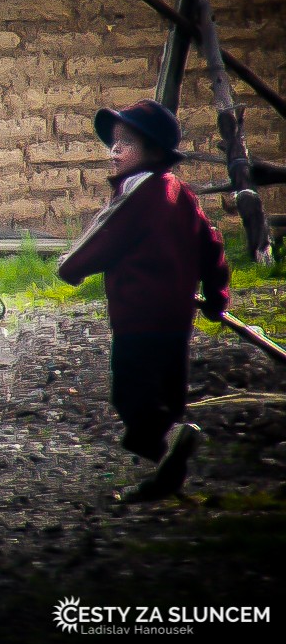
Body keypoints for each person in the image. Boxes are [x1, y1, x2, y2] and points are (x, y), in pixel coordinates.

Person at [57, 98, 230, 502]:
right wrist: (216, 293)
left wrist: (71, 268)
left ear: (153, 151)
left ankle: (169, 445)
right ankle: (167, 471)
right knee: (166, 393)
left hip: (138, 317)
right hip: (176, 319)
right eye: (113, 142)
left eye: (126, 143)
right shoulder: (181, 193)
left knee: (132, 396)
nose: (114, 150)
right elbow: (211, 244)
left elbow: (105, 238)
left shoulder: (138, 194)